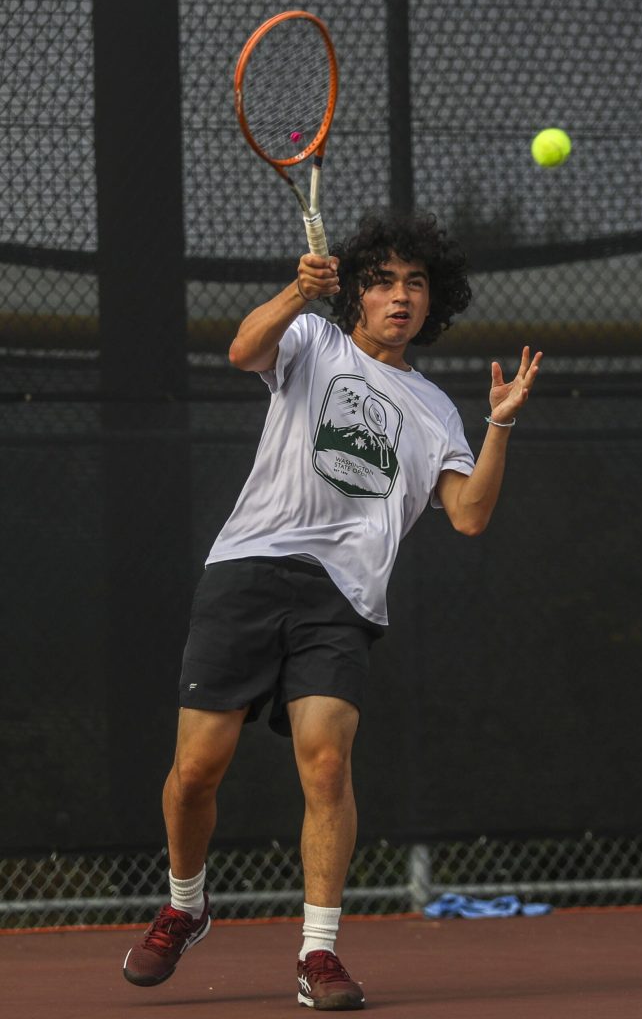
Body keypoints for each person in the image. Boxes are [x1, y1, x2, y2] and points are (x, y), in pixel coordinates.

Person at [122, 211, 542, 1009]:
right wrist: (296, 292)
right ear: (356, 293)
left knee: (325, 763)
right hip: (247, 569)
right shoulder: (313, 340)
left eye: (414, 284)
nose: (399, 297)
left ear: (432, 301)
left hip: (342, 597)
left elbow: (468, 513)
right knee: (195, 771)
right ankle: (185, 905)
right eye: (382, 282)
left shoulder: (433, 409)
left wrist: (500, 421)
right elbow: (242, 350)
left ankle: (318, 953)